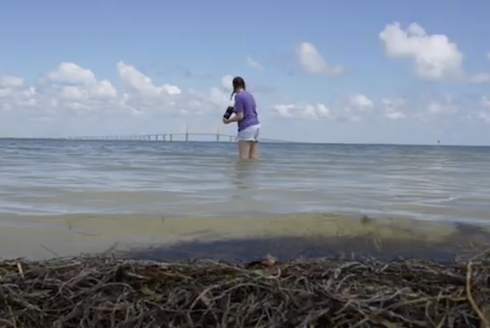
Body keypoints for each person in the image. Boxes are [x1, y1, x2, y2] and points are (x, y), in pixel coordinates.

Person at [222, 76, 260, 160]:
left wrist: (228, 120)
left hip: (246, 127)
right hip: (256, 126)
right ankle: (252, 173)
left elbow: (240, 116)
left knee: (243, 159)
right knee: (252, 158)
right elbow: (249, 111)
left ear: (234, 86)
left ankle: (242, 173)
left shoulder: (238, 96)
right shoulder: (250, 95)